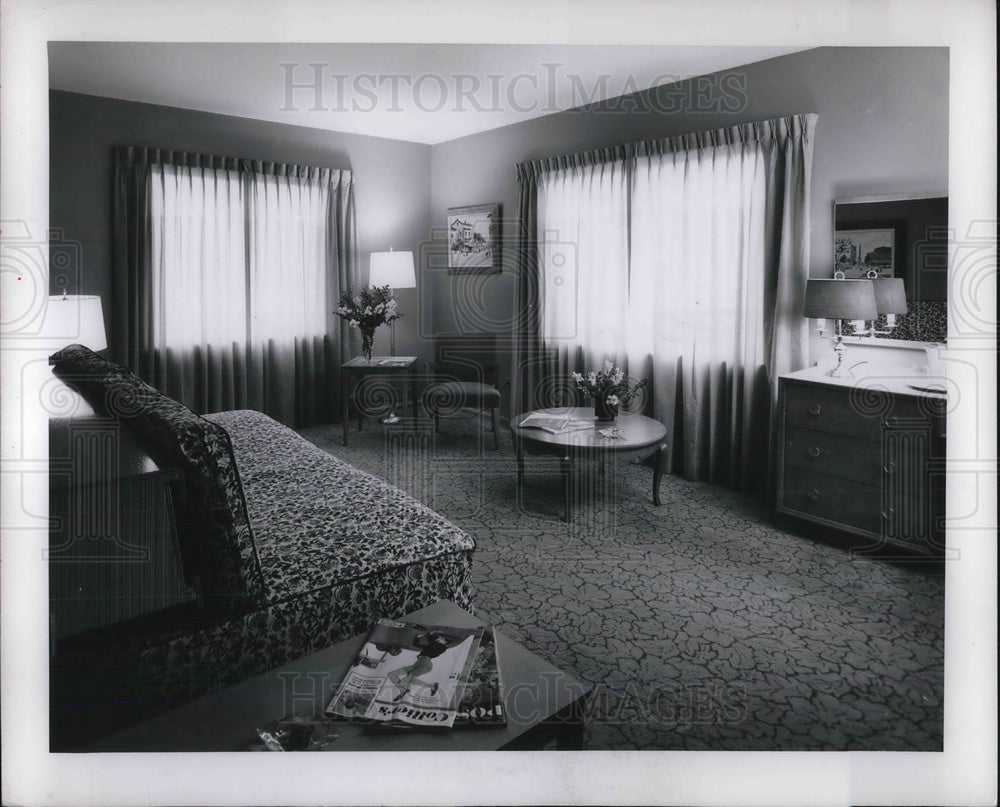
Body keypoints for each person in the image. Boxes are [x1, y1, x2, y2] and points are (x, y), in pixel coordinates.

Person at [386, 630, 452, 701]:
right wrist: (417, 638)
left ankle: (405, 691)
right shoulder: (431, 645)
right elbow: (416, 644)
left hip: (426, 664)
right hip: (418, 663)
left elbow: (433, 641)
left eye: (442, 639)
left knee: (404, 681)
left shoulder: (442, 647)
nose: (439, 639)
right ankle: (431, 686)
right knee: (391, 675)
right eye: (439, 638)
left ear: (445, 642)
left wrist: (432, 634)